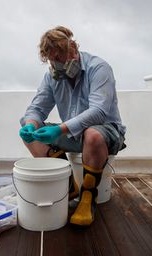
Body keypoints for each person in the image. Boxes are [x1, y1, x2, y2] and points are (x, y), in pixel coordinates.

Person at [19, 26, 126, 226]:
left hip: (106, 131)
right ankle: (69, 188)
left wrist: (59, 130)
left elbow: (99, 112)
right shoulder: (52, 77)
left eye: (59, 60)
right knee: (29, 129)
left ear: (74, 50)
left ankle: (87, 198)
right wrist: (30, 125)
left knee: (92, 134)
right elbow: (37, 108)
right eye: (52, 61)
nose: (56, 66)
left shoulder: (99, 68)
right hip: (73, 134)